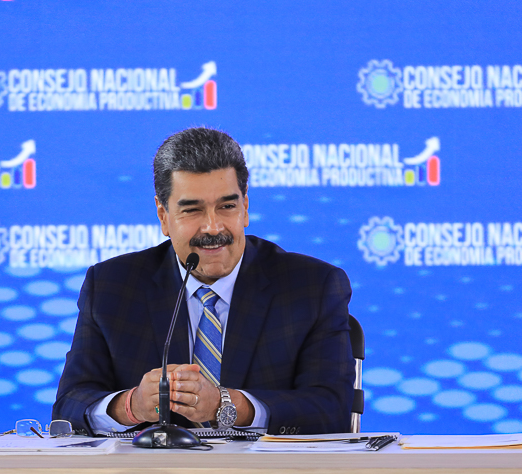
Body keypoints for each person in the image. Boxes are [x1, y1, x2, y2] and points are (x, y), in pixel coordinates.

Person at [53, 127, 354, 435]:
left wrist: (227, 404)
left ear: (245, 209)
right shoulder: (112, 286)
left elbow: (332, 410)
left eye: (227, 206)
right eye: (192, 210)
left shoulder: (312, 286)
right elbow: (68, 407)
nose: (212, 227)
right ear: (163, 216)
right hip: (153, 466)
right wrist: (132, 406)